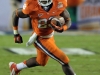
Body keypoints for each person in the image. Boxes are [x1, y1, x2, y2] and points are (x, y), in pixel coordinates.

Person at [9, 0, 76, 75]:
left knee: (40, 61)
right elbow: (16, 13)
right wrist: (16, 33)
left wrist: (63, 28)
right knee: (64, 60)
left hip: (50, 36)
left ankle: (16, 67)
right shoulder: (31, 6)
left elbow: (68, 20)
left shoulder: (59, 3)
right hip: (39, 38)